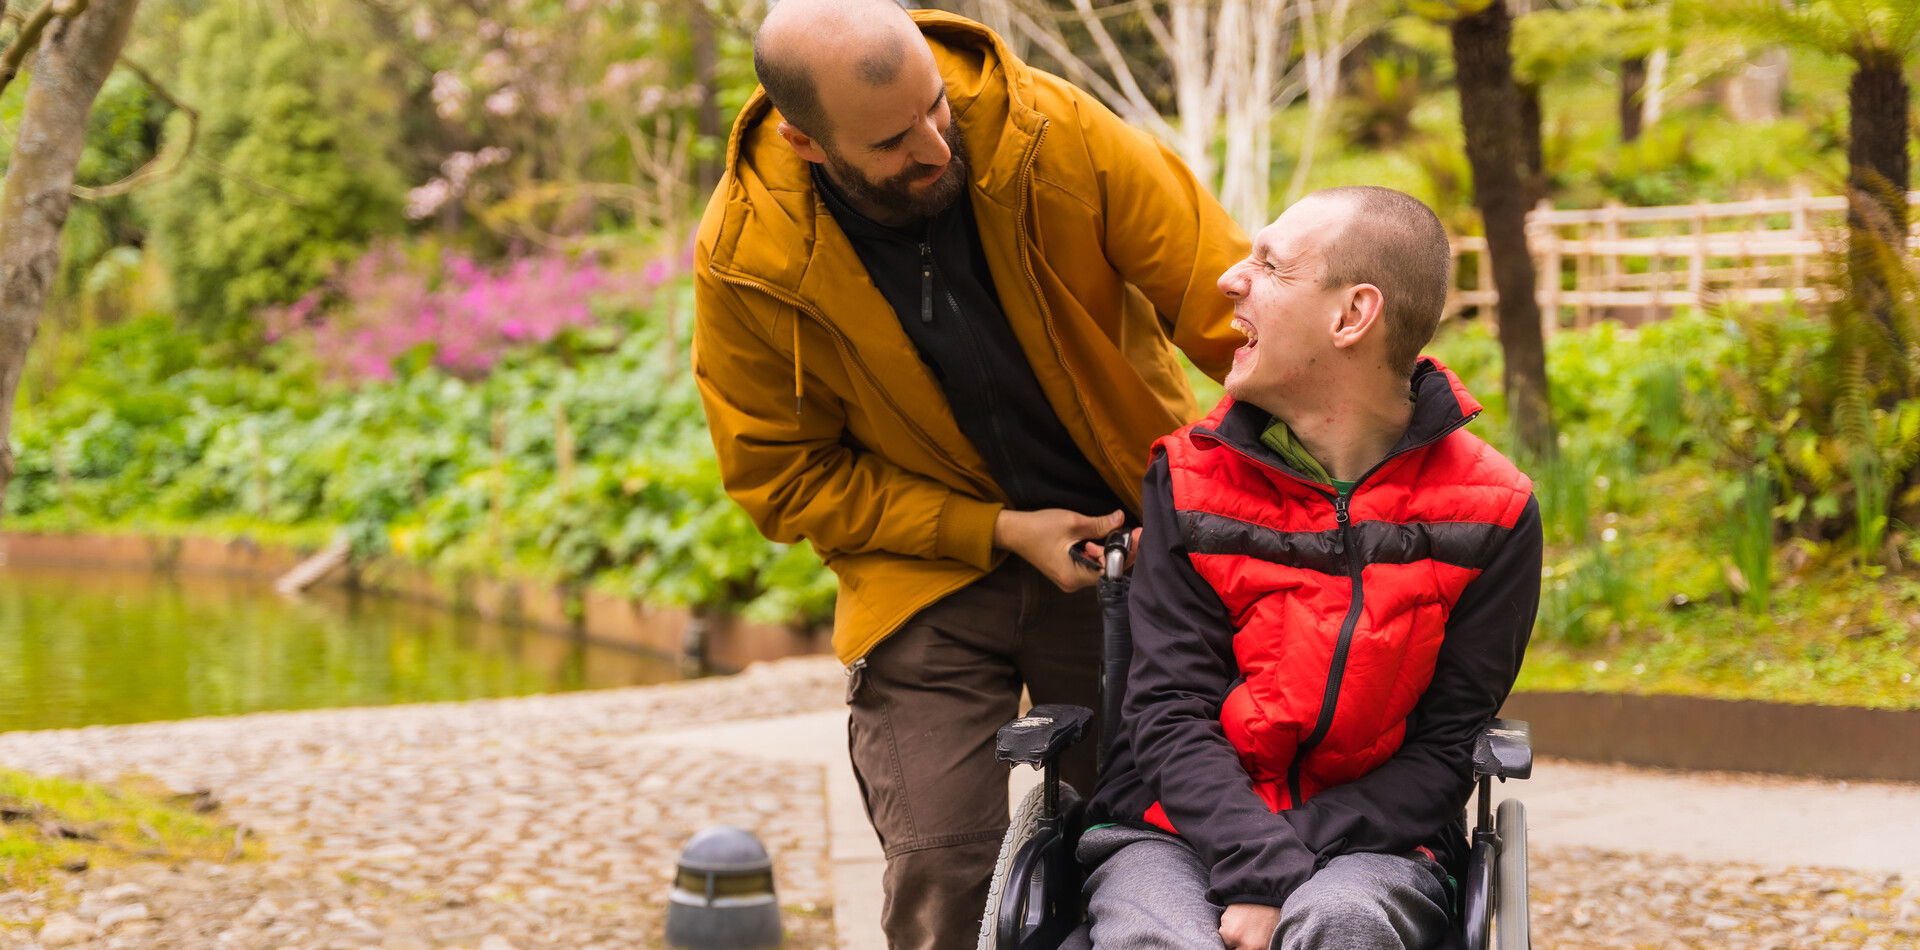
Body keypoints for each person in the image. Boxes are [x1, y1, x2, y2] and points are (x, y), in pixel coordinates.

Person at [689, 1, 1247, 947]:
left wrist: (1256, 477)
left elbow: (1234, 309)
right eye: (894, 142)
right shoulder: (748, 262)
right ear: (806, 140)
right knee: (948, 863)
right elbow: (782, 480)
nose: (935, 149)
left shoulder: (1052, 132)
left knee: (1162, 834)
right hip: (928, 577)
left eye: (936, 110)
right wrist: (996, 529)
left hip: (1127, 540)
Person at [1074, 187, 1544, 950]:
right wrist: (1257, 866)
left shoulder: (1492, 512)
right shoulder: (1189, 481)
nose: (1231, 279)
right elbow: (1167, 712)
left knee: (1343, 921)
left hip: (1376, 846)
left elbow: (1445, 749)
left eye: (1269, 264)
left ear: (1352, 315)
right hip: (1170, 831)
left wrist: (1288, 862)